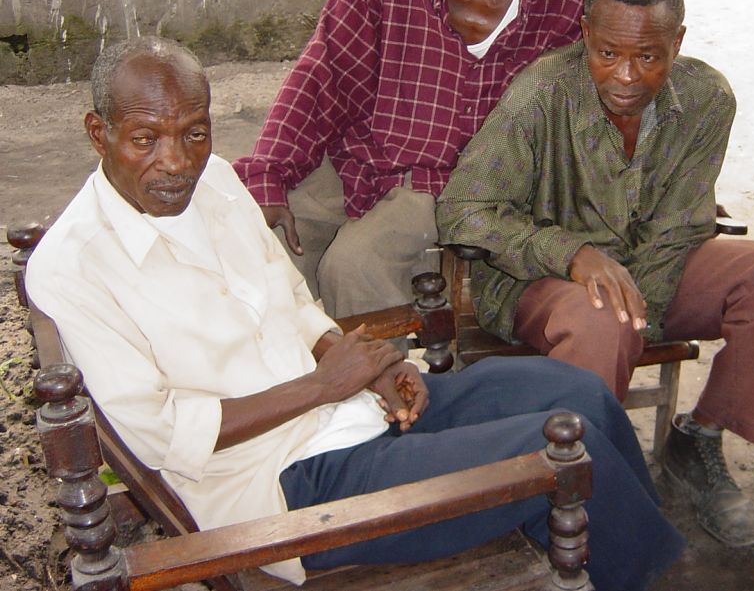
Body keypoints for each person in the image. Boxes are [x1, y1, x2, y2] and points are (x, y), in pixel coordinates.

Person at [25, 39, 684, 591]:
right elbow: (165, 437)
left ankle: (640, 563)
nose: (175, 160)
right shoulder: (73, 266)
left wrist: (372, 367)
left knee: (582, 395)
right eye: (146, 138)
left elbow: (291, 299)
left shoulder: (217, 181)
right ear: (98, 132)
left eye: (194, 133)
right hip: (283, 488)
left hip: (349, 414)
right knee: (562, 457)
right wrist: (324, 384)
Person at [437, 0, 754, 549]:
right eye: (608, 54)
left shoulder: (707, 100)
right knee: (602, 314)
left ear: (677, 43)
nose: (625, 75)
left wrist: (640, 306)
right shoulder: (541, 94)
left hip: (655, 271)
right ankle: (574, 493)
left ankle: (697, 440)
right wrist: (573, 253)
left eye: (648, 57)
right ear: (585, 35)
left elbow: (682, 225)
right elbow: (462, 210)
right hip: (538, 282)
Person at [234, 0, 601, 319]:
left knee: (353, 267)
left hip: (452, 185)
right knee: (260, 245)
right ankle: (288, 388)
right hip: (361, 154)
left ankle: (385, 392)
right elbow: (327, 72)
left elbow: (609, 90)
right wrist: (269, 173)